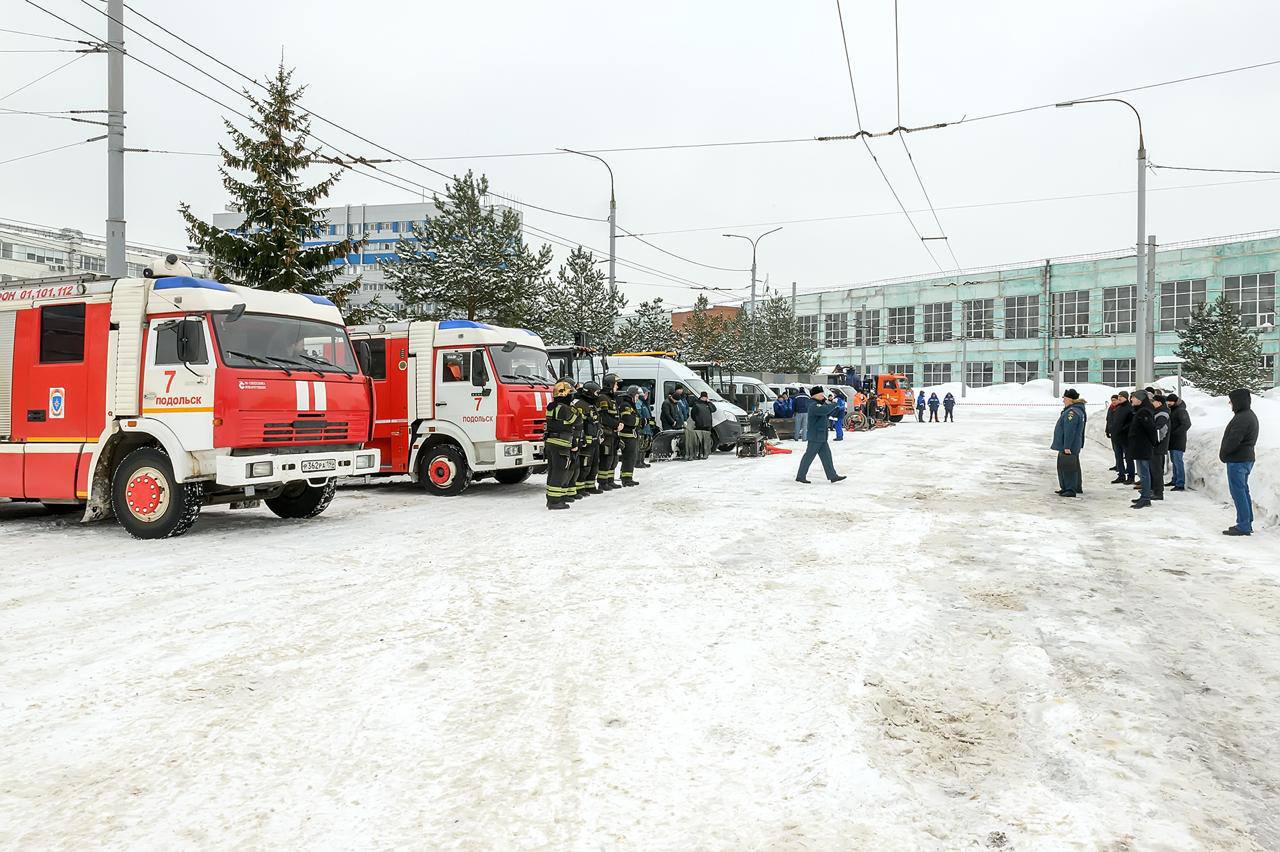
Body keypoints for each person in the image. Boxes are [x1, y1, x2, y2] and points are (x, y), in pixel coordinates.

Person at [1220, 388, 1259, 536]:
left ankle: (1244, 525)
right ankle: (1246, 521)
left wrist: (1224, 453)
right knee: (1243, 491)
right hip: (1245, 458)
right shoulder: (1247, 415)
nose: (1230, 403)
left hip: (1238, 459)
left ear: (1238, 401)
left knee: (1239, 492)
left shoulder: (1242, 418)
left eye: (1232, 400)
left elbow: (1234, 439)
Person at [795, 386, 848, 484]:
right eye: (821, 394)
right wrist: (833, 404)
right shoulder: (813, 405)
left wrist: (832, 406)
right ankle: (800, 476)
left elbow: (826, 412)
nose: (823, 396)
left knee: (827, 456)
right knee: (809, 456)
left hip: (821, 436)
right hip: (816, 436)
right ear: (815, 395)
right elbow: (823, 410)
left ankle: (832, 475)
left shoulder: (818, 404)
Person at [543, 380, 580, 510]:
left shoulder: (551, 406)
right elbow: (577, 420)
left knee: (553, 471)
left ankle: (554, 497)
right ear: (564, 395)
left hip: (551, 443)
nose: (572, 397)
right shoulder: (564, 408)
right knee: (559, 471)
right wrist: (575, 409)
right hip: (561, 444)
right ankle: (554, 501)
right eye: (570, 394)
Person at [1050, 388, 1087, 497]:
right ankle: (1071, 487)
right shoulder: (1076, 410)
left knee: (1067, 467)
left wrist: (1067, 446)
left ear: (1070, 399)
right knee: (1071, 466)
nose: (1063, 401)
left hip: (1069, 445)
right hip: (1072, 444)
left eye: (1065, 398)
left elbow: (1070, 431)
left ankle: (1070, 489)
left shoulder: (1072, 412)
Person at [1127, 390, 1157, 509]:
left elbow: (1150, 429)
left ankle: (1145, 498)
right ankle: (1144, 496)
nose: (1131, 400)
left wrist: (1152, 443)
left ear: (1139, 399)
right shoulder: (1140, 410)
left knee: (1144, 473)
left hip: (1143, 446)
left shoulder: (1144, 411)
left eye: (1133, 398)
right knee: (1142, 473)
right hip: (1139, 446)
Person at [573, 382, 601, 496]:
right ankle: (580, 488)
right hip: (586, 443)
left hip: (595, 441)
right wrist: (582, 439)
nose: (597, 395)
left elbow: (596, 421)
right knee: (585, 466)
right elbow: (580, 424)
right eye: (596, 392)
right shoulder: (580, 405)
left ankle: (590, 486)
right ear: (589, 392)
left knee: (594, 465)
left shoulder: (591, 405)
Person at [596, 374, 622, 490]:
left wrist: (619, 423)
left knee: (613, 458)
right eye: (616, 384)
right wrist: (616, 424)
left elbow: (615, 415)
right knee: (606, 458)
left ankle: (610, 480)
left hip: (613, 433)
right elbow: (604, 417)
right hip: (606, 434)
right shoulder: (603, 398)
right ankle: (603, 482)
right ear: (610, 384)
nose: (617, 386)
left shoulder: (612, 398)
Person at [1109, 390, 1135, 484]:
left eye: (1121, 396)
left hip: (1125, 437)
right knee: (1118, 457)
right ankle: (1121, 475)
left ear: (1126, 397)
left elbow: (1131, 422)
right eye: (1119, 396)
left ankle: (1131, 476)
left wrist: (1123, 429)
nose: (1119, 397)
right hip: (1116, 437)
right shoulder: (1118, 408)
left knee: (1128, 458)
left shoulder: (1130, 408)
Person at [618, 387, 642, 487]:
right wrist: (639, 422)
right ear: (632, 395)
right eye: (636, 396)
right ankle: (626, 479)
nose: (637, 398)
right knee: (629, 457)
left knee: (632, 457)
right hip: (627, 436)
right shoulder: (626, 406)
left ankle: (628, 477)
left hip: (632, 435)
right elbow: (628, 419)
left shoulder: (631, 405)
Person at [1166, 393, 1190, 491]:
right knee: (1174, 462)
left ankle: (1180, 483)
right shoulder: (1172, 410)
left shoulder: (1181, 411)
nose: (1168, 403)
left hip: (1178, 441)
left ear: (1175, 401)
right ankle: (1175, 479)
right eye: (1167, 401)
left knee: (1178, 462)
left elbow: (1186, 424)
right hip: (1172, 441)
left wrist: (1175, 433)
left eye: (1170, 401)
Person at [1150, 392, 1170, 501]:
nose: (1152, 403)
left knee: (1157, 470)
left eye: (1154, 401)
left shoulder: (1162, 414)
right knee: (1155, 469)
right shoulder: (1158, 412)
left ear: (1159, 402)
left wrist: (1154, 442)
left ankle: (1158, 492)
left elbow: (1160, 431)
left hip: (1158, 447)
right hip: (1158, 446)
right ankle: (1155, 490)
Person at [690, 391, 717, 458]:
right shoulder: (696, 404)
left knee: (706, 440)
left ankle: (705, 453)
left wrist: (709, 402)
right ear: (701, 397)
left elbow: (714, 409)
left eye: (706, 397)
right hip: (699, 425)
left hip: (708, 425)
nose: (704, 398)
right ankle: (699, 453)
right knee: (699, 440)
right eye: (703, 397)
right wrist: (697, 420)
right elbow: (693, 414)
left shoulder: (708, 404)